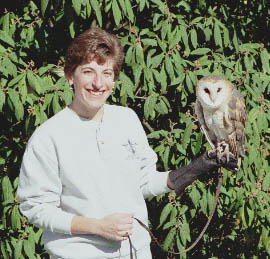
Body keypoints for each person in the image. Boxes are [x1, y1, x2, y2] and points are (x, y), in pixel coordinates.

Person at [17, 28, 237, 259]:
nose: (98, 83)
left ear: (114, 79)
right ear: (71, 76)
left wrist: (200, 165)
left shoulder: (127, 119)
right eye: (88, 71)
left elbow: (144, 182)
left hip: (137, 253)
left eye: (107, 73)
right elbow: (36, 208)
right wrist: (97, 227)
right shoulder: (49, 136)